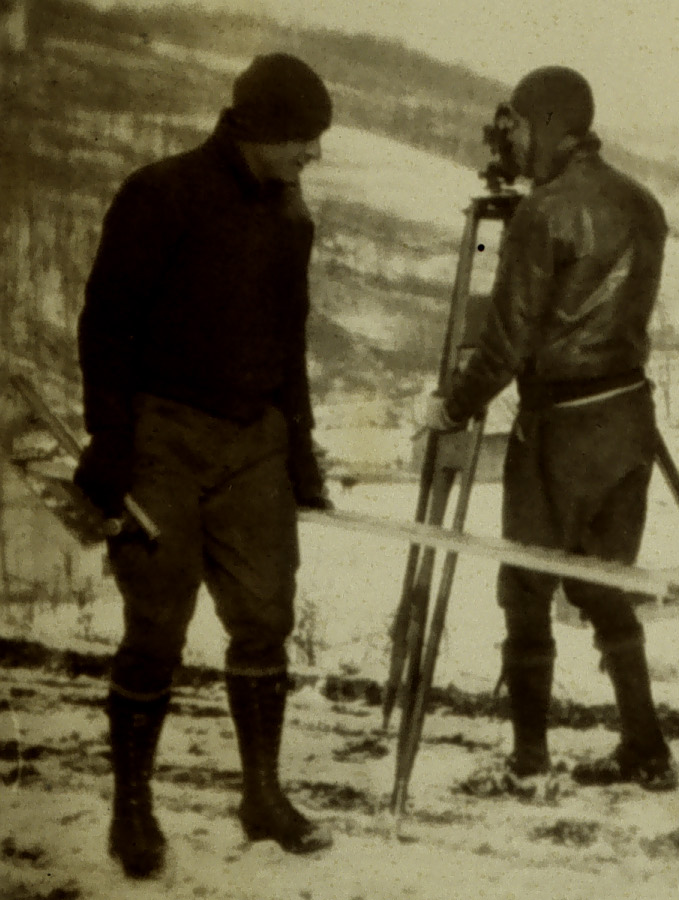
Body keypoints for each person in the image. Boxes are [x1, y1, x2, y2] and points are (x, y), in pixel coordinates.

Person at [75, 53, 335, 878]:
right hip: (164, 437)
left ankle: (263, 793)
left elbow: (290, 341)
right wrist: (111, 444)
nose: (311, 157)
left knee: (264, 617)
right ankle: (133, 813)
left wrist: (298, 450)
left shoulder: (292, 217)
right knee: (156, 623)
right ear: (255, 129)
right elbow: (106, 327)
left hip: (253, 438)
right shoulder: (162, 194)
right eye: (301, 139)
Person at [426, 66, 677, 791]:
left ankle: (530, 758)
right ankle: (646, 745)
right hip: (628, 418)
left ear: (544, 124)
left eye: (518, 128)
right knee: (606, 586)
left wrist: (454, 405)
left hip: (561, 428)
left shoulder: (542, 215)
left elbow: (501, 339)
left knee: (526, 589)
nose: (510, 142)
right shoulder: (645, 202)